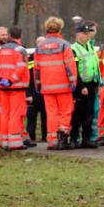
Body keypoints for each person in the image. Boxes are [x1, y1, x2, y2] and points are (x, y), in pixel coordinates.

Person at [35, 17, 77, 150]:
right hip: (63, 86)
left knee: (51, 113)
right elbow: (70, 66)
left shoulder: (40, 46)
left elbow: (37, 68)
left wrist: (38, 85)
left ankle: (52, 141)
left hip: (47, 86)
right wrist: (73, 82)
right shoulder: (64, 44)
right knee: (65, 112)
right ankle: (62, 138)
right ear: (59, 28)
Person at [0, 27, 31, 151]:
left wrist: (0, 79)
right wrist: (11, 80)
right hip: (16, 87)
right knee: (16, 114)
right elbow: (21, 68)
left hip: (3, 87)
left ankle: (5, 141)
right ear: (20, 36)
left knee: (5, 113)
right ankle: (14, 142)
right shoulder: (20, 50)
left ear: (9, 35)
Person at [71, 24, 101, 148]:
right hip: (80, 86)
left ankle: (86, 139)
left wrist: (97, 82)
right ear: (79, 35)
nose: (88, 35)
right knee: (78, 114)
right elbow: (74, 70)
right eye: (85, 33)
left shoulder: (90, 47)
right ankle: (74, 138)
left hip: (91, 84)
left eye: (89, 33)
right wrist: (81, 86)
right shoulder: (74, 49)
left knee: (89, 113)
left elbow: (95, 66)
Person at [26, 36, 47, 142]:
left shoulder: (48, 56)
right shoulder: (31, 57)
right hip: (34, 92)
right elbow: (27, 77)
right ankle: (31, 137)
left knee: (45, 117)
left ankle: (45, 136)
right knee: (31, 117)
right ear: (37, 44)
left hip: (45, 91)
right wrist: (28, 94)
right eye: (40, 43)